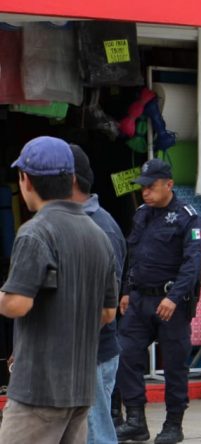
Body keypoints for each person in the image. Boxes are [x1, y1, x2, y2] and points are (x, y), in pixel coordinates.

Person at [0, 136, 118, 443]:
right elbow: (108, 312)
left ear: (25, 180)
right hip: (80, 390)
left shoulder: (36, 231)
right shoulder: (98, 233)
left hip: (38, 390)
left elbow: (16, 305)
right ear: (71, 179)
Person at [116, 158, 201, 444]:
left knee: (175, 365)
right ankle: (135, 421)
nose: (145, 192)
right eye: (142, 187)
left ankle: (173, 424)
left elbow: (192, 265)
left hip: (171, 304)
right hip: (140, 300)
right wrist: (127, 291)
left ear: (169, 184)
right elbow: (133, 256)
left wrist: (174, 297)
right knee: (126, 354)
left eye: (151, 187)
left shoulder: (189, 217)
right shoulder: (142, 214)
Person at [70, 144, 128, 444]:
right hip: (78, 355)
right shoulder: (72, 223)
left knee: (96, 436)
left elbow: (104, 305)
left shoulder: (100, 228)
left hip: (92, 355)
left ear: (68, 180)